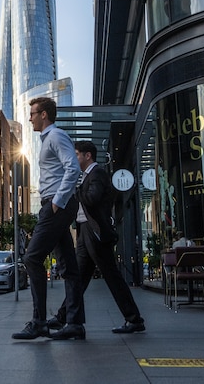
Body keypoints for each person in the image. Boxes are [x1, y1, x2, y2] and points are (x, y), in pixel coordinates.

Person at [48, 141, 145, 335]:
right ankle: (62, 317)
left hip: (95, 232)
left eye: (77, 155)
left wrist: (76, 190)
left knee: (111, 276)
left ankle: (134, 319)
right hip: (85, 231)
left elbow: (92, 199)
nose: (75, 158)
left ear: (87, 156)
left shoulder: (97, 174)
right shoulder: (87, 176)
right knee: (79, 277)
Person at [12, 97, 85, 341]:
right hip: (55, 204)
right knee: (69, 267)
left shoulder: (56, 136)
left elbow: (73, 167)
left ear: (44, 115)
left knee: (32, 258)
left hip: (57, 204)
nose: (30, 117)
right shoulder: (47, 140)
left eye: (33, 113)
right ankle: (74, 323)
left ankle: (39, 322)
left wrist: (57, 202)